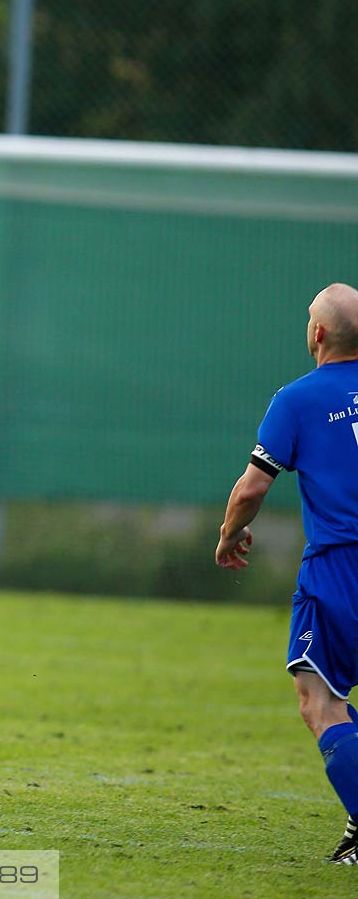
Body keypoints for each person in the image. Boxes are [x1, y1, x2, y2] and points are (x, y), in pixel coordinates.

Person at [216, 282, 358, 864]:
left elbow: (252, 487)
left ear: (318, 333)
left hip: (340, 566)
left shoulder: (298, 399)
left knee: (319, 701)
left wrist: (228, 536)